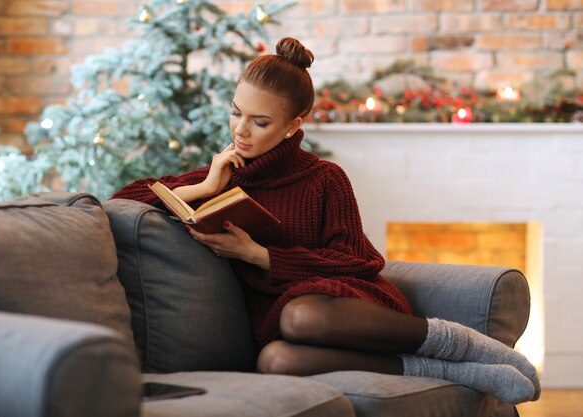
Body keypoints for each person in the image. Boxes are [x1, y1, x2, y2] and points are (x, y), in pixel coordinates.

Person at [111, 37, 539, 405]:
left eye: (260, 122)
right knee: (274, 361)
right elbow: (121, 201)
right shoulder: (223, 175)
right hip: (277, 321)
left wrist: (260, 256)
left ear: (293, 125)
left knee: (301, 317)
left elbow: (360, 262)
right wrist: (204, 188)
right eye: (236, 112)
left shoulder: (324, 179)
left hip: (342, 306)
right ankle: (452, 372)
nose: (240, 130)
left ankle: (462, 344)